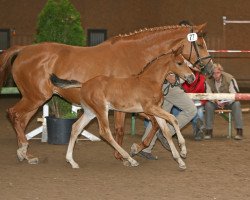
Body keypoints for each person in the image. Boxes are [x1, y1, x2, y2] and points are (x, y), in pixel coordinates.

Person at [138, 72, 197, 160]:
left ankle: (145, 148)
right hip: (170, 87)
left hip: (164, 86)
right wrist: (169, 76)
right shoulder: (177, 58)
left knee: (158, 116)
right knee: (191, 110)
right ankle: (166, 132)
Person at [204, 63, 243, 140]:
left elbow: (234, 94)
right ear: (211, 74)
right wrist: (216, 101)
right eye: (214, 73)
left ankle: (239, 131)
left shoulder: (230, 78)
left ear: (221, 72)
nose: (216, 75)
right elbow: (208, 94)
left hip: (229, 102)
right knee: (208, 105)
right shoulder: (208, 80)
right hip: (215, 102)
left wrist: (225, 102)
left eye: (218, 73)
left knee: (237, 104)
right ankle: (208, 131)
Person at [171, 69, 207, 141]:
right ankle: (175, 131)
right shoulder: (180, 79)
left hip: (197, 102)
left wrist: (198, 103)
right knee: (175, 111)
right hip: (182, 102)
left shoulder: (203, 80)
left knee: (198, 111)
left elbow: (206, 95)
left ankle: (198, 131)